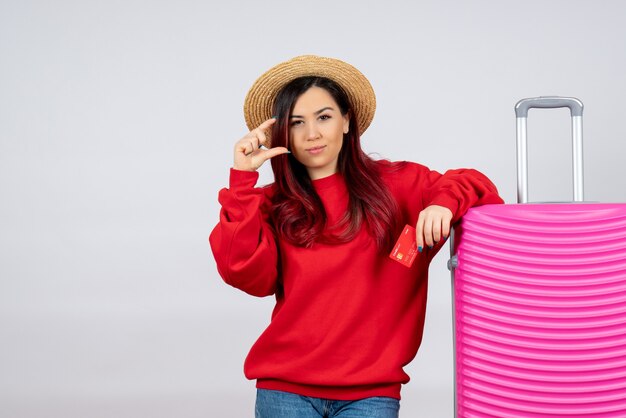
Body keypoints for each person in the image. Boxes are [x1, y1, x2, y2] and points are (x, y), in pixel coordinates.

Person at [209, 55, 503, 418]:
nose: (312, 134)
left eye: (324, 117)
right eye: (297, 123)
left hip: (371, 393)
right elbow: (244, 274)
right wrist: (242, 182)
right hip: (284, 390)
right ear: (283, 133)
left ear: (347, 121)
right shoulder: (271, 204)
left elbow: (477, 185)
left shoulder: (398, 186)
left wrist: (442, 204)